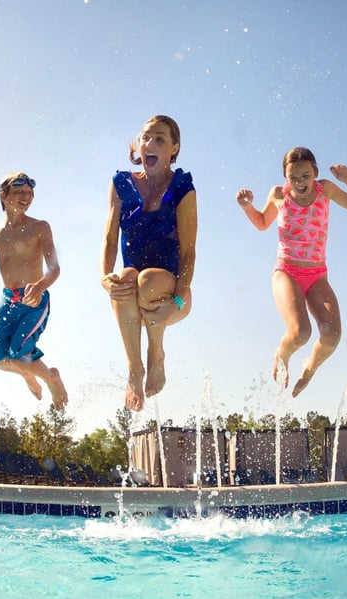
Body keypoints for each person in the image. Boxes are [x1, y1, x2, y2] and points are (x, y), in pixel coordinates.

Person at [236, 147, 347, 397]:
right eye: (293, 177)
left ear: (315, 172)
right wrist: (247, 207)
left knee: (332, 335)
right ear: (285, 177)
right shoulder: (278, 194)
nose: (299, 183)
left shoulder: (325, 190)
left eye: (305, 176)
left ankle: (309, 368)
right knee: (301, 334)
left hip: (317, 275)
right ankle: (282, 354)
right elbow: (263, 223)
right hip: (286, 271)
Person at [101, 115, 197, 411]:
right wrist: (105, 277)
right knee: (126, 275)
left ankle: (156, 352)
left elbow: (188, 253)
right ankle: (134, 369)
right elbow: (109, 239)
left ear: (174, 148)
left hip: (172, 292)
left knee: (147, 279)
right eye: (145, 137)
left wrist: (178, 299)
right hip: (131, 294)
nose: (150, 144)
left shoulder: (182, 188)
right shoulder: (121, 184)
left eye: (160, 139)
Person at [0, 172, 68, 409]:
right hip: (8, 301)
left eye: (29, 193)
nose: (25, 197)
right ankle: (28, 374)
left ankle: (51, 379)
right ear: (3, 196)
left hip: (35, 301)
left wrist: (40, 285)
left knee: (18, 353)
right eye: (18, 192)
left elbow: (55, 268)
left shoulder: (40, 227)